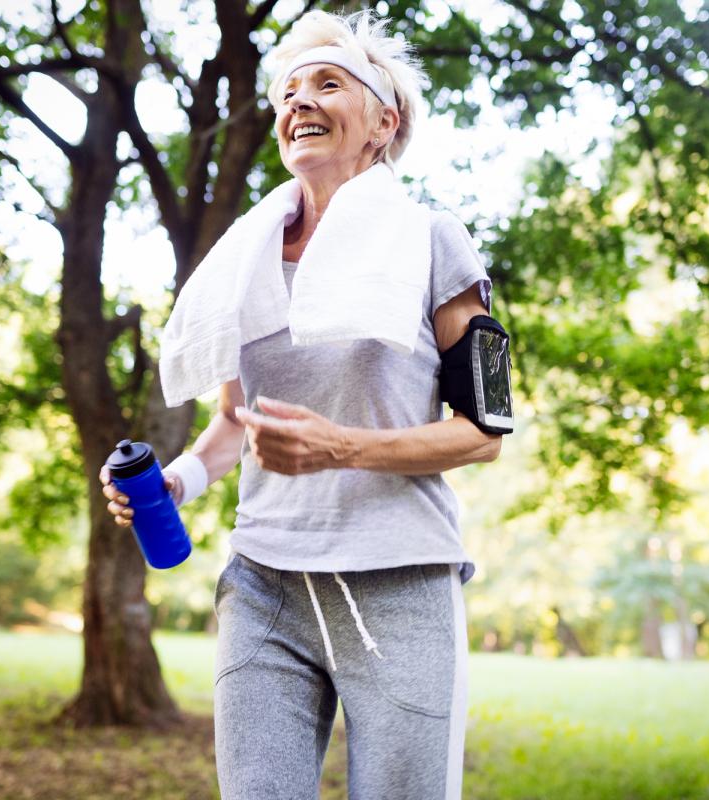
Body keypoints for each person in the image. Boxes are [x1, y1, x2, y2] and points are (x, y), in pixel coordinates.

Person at [99, 9, 505, 798]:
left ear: (383, 123)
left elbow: (485, 432)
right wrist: (176, 482)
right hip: (265, 583)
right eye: (288, 94)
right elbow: (231, 423)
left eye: (328, 84)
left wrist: (341, 447)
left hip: (399, 582)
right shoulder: (246, 261)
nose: (299, 103)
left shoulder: (432, 239)